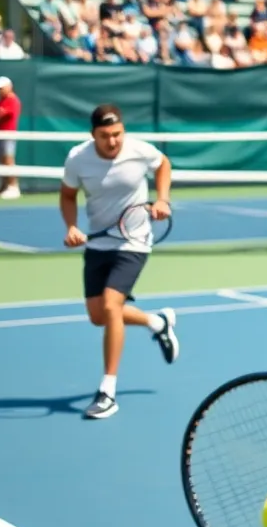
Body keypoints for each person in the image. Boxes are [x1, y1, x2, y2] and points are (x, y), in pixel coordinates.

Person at [60, 104, 180, 420]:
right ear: (93, 135)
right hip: (98, 242)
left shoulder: (139, 150)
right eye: (104, 136)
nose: (112, 142)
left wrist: (163, 199)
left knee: (112, 306)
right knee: (98, 316)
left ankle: (107, 392)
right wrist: (71, 226)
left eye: (117, 134)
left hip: (134, 241)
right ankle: (158, 322)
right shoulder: (78, 159)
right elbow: (68, 195)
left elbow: (163, 163)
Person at [0, 75, 21, 199]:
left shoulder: (12, 100)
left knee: (8, 161)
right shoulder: (1, 101)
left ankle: (13, 187)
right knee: (1, 161)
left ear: (9, 87)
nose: (0, 90)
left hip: (8, 134)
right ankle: (3, 186)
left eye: (2, 88)